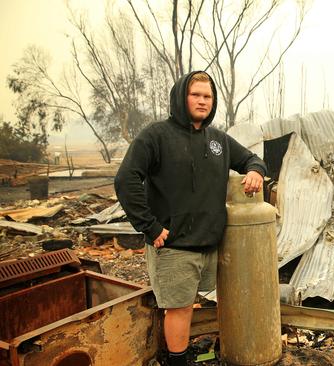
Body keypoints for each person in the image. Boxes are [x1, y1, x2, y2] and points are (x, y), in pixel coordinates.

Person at [114, 71, 266, 366]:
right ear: (181, 97)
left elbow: (252, 159)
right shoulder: (156, 136)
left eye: (207, 96)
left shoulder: (218, 140)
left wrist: (256, 170)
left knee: (190, 304)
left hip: (208, 244)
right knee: (179, 308)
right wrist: (150, 226)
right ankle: (177, 361)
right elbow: (126, 179)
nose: (202, 101)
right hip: (173, 244)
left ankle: (179, 353)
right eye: (195, 94)